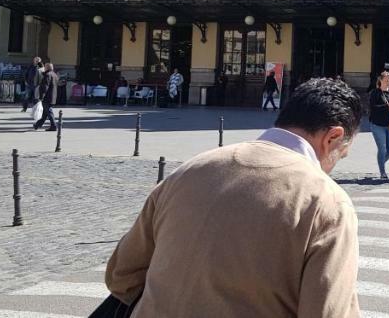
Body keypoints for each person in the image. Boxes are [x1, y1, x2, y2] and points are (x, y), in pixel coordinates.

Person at [104, 78, 363, 317]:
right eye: (342, 154)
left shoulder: (190, 169)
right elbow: (327, 312)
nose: (334, 165)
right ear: (333, 137)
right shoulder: (327, 202)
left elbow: (121, 276)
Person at [368, 70, 389, 180]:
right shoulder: (375, 93)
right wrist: (386, 106)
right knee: (382, 149)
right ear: (380, 80)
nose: (388, 83)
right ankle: (382, 172)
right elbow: (373, 107)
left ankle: (380, 162)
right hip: (377, 125)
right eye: (386, 81)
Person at [33, 63, 59, 131]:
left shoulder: (47, 75)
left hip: (47, 97)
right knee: (45, 112)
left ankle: (54, 126)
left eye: (45, 67)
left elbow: (45, 87)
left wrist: (41, 97)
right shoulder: (55, 75)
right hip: (53, 96)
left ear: (47, 68)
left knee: (49, 112)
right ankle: (37, 125)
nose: (44, 68)